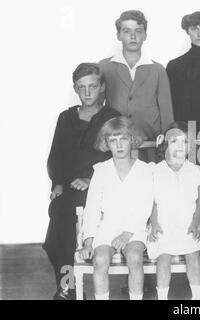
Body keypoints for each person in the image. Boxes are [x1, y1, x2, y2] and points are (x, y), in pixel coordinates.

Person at [43, 63, 120, 300]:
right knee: (57, 224)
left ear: (102, 87)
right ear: (76, 89)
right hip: (67, 188)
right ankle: (68, 285)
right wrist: (57, 182)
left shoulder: (111, 118)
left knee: (61, 222)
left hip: (98, 188)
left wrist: (91, 179)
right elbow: (55, 156)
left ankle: (68, 287)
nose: (87, 93)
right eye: (81, 87)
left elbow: (116, 157)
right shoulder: (66, 118)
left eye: (92, 86)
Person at [77, 117, 154, 300]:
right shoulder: (101, 170)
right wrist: (89, 240)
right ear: (106, 143)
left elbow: (145, 205)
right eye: (113, 140)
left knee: (135, 257)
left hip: (134, 228)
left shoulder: (144, 170)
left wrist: (127, 234)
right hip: (107, 227)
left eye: (124, 139)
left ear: (132, 139)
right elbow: (93, 206)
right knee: (100, 259)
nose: (119, 145)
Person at [99, 10, 173, 161]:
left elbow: (167, 114)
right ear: (118, 35)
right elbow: (98, 108)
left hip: (150, 146)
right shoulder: (104, 67)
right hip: (116, 146)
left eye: (138, 31)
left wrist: (165, 146)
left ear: (145, 35)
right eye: (127, 31)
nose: (133, 36)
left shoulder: (157, 70)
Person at [147, 122, 200, 300]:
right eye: (174, 141)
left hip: (189, 222)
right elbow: (152, 202)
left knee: (193, 255)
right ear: (165, 145)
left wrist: (195, 224)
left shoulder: (196, 171)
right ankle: (162, 296)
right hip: (164, 223)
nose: (180, 146)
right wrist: (155, 223)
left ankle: (197, 297)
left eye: (185, 141)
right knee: (163, 257)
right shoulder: (155, 171)